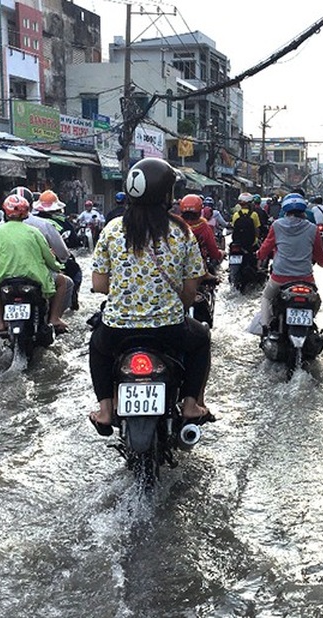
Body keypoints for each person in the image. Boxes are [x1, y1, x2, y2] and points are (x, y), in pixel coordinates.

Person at [88, 158, 212, 435]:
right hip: (169, 329)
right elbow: (191, 291)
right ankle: (192, 404)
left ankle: (106, 411)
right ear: (166, 195)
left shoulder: (112, 229)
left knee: (97, 347)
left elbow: (98, 284)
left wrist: (125, 291)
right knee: (202, 338)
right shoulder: (181, 232)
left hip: (117, 330)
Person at [0, 194, 69, 334]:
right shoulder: (35, 231)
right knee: (62, 281)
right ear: (26, 212)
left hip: (4, 277)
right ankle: (54, 318)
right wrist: (58, 268)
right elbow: (48, 256)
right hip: (35, 277)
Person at [252, 193, 323, 335]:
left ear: (285, 210)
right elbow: (319, 254)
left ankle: (265, 327)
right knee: (315, 301)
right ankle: (309, 322)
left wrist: (259, 255)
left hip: (279, 278)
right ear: (303, 211)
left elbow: (266, 248)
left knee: (267, 297)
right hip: (305, 279)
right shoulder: (312, 229)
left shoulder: (277, 225)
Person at [33, 191, 84, 311]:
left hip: (31, 261)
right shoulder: (60, 221)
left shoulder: (30, 220)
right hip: (54, 261)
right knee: (75, 273)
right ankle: (72, 302)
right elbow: (72, 242)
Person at [179, 193, 223, 274]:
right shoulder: (204, 227)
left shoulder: (174, 226)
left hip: (177, 267)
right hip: (198, 268)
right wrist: (221, 254)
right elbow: (213, 252)